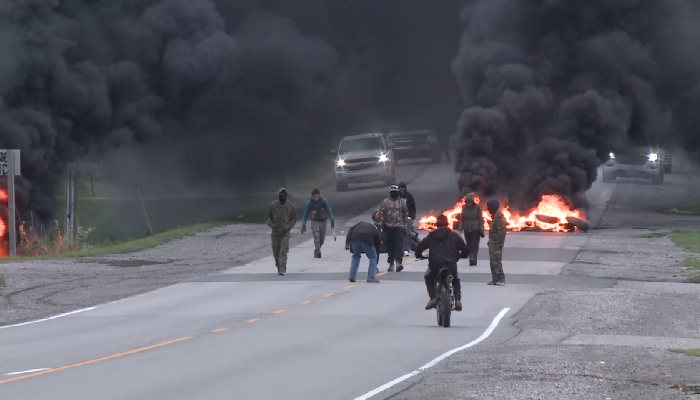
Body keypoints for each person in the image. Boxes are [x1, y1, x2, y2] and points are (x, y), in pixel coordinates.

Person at [415, 215, 468, 311]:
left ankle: (433, 298)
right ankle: (458, 300)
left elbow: (420, 247)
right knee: (455, 281)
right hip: (450, 264)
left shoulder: (431, 236)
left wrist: (418, 255)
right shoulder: (454, 236)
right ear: (447, 224)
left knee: (428, 277)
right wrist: (462, 255)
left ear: (436, 225)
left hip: (435, 265)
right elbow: (465, 249)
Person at [265, 188, 297, 275]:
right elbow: (268, 216)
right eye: (281, 194)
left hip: (285, 232)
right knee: (276, 251)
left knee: (283, 250)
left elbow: (294, 218)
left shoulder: (290, 206)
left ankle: (282, 268)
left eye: (284, 194)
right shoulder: (273, 205)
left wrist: (289, 226)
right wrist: (271, 224)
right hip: (275, 232)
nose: (283, 196)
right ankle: (278, 265)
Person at [377, 184, 409, 272]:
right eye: (392, 192)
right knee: (390, 246)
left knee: (399, 246)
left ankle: (398, 263)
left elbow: (405, 215)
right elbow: (381, 214)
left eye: (395, 192)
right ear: (390, 193)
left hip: (399, 227)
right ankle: (391, 264)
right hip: (388, 227)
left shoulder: (402, 202)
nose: (394, 193)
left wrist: (405, 227)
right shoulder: (386, 202)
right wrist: (381, 225)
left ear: (398, 192)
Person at [301, 188, 335, 258]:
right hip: (314, 221)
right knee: (316, 236)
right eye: (314, 197)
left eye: (317, 197)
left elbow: (329, 210)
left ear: (319, 196)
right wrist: (303, 224)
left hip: (323, 221)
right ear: (312, 197)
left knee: (321, 239)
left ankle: (317, 249)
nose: (316, 198)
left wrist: (331, 219)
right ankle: (318, 252)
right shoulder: (309, 204)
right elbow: (306, 214)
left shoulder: (324, 201)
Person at [457, 192, 485, 266]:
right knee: (469, 244)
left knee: (474, 245)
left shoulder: (477, 207)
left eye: (470, 202)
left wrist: (481, 229)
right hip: (467, 228)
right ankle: (470, 257)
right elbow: (462, 218)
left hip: (475, 228)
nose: (469, 204)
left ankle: (473, 258)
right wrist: (460, 228)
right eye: (468, 202)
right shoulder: (464, 207)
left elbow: (480, 218)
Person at [486, 198, 507, 285]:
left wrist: (496, 241)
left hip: (496, 243)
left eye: (489, 207)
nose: (488, 209)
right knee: (492, 261)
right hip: (493, 242)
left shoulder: (499, 217)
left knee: (497, 261)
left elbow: (502, 231)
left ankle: (501, 279)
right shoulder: (494, 216)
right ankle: (495, 279)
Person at [398, 181, 417, 257]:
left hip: (407, 218)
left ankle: (406, 249)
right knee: (400, 234)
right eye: (401, 189)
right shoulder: (396, 196)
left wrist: (412, 217)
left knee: (408, 234)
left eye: (403, 189)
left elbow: (413, 207)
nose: (402, 190)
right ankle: (400, 249)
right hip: (398, 218)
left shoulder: (409, 196)